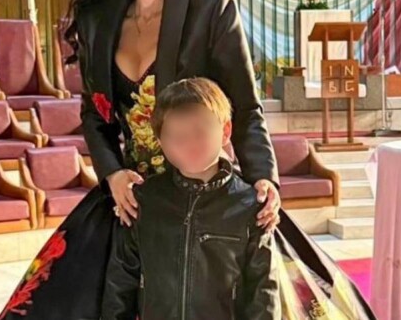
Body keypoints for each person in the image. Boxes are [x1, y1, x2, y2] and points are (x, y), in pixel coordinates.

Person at [0, 0, 373, 320]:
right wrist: (113, 175)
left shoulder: (210, 9)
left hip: (207, 192)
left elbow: (246, 107)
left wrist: (263, 179)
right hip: (133, 202)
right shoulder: (97, 19)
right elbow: (94, 116)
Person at [102, 77, 280, 320]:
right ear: (160, 141)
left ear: (225, 131)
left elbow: (264, 291)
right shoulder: (144, 200)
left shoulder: (250, 206)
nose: (190, 145)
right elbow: (121, 281)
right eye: (177, 137)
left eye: (200, 132)